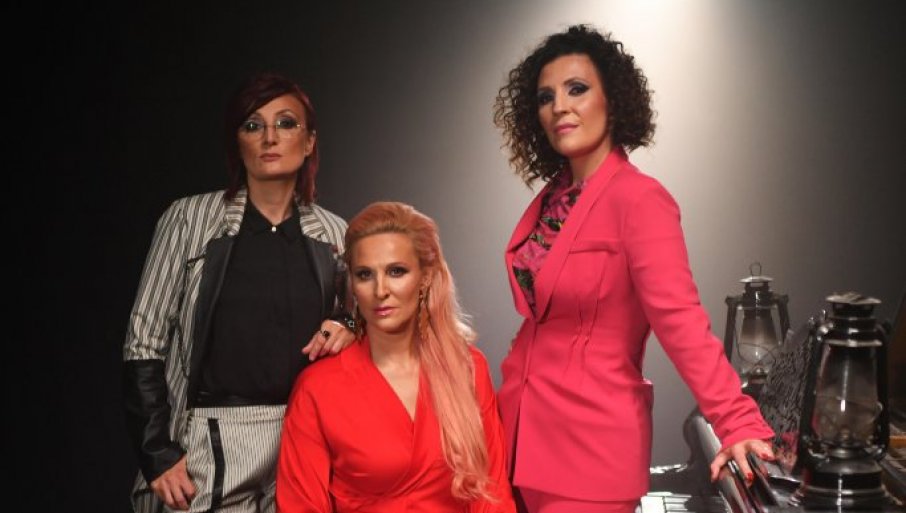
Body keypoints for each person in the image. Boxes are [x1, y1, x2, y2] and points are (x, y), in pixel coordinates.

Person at [493, 25, 776, 512]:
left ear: (613, 100)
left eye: (576, 89)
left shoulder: (640, 200)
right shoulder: (554, 200)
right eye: (546, 97)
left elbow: (681, 321)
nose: (559, 106)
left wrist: (737, 421)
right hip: (517, 439)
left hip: (590, 449)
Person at [123, 72, 356, 513]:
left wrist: (346, 322)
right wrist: (157, 453)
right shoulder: (189, 219)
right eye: (253, 125)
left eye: (286, 123)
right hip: (210, 437)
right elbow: (143, 343)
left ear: (309, 142)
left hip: (303, 433)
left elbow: (366, 320)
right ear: (237, 142)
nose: (270, 137)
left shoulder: (334, 233)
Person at [276, 202, 516, 513]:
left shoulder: (467, 367)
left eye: (396, 271)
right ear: (353, 285)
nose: (380, 290)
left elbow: (492, 494)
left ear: (425, 277)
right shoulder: (318, 388)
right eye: (365, 275)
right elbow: (299, 506)